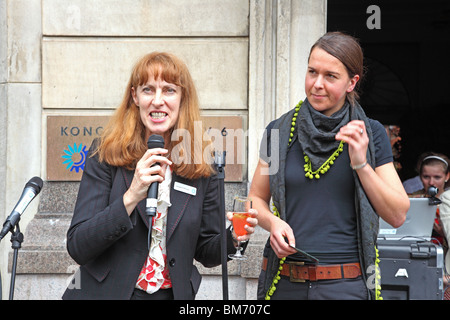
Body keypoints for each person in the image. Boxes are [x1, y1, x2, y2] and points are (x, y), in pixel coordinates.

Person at [62, 52, 258, 300]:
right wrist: (132, 195)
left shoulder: (200, 165)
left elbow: (206, 250)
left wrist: (234, 237)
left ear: (182, 97)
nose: (157, 101)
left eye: (168, 90)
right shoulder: (105, 153)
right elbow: (78, 246)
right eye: (148, 90)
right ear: (135, 96)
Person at [250, 32, 409, 300]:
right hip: (286, 284)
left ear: (352, 82)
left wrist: (361, 165)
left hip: (347, 287)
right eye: (312, 72)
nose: (317, 84)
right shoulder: (278, 133)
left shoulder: (370, 134)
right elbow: (255, 199)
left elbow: (397, 214)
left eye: (330, 76)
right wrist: (272, 222)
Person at [408, 152, 449, 297]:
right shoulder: (410, 200)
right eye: (426, 177)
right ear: (420, 177)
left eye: (437, 177)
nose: (431, 182)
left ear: (447, 176)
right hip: (416, 261)